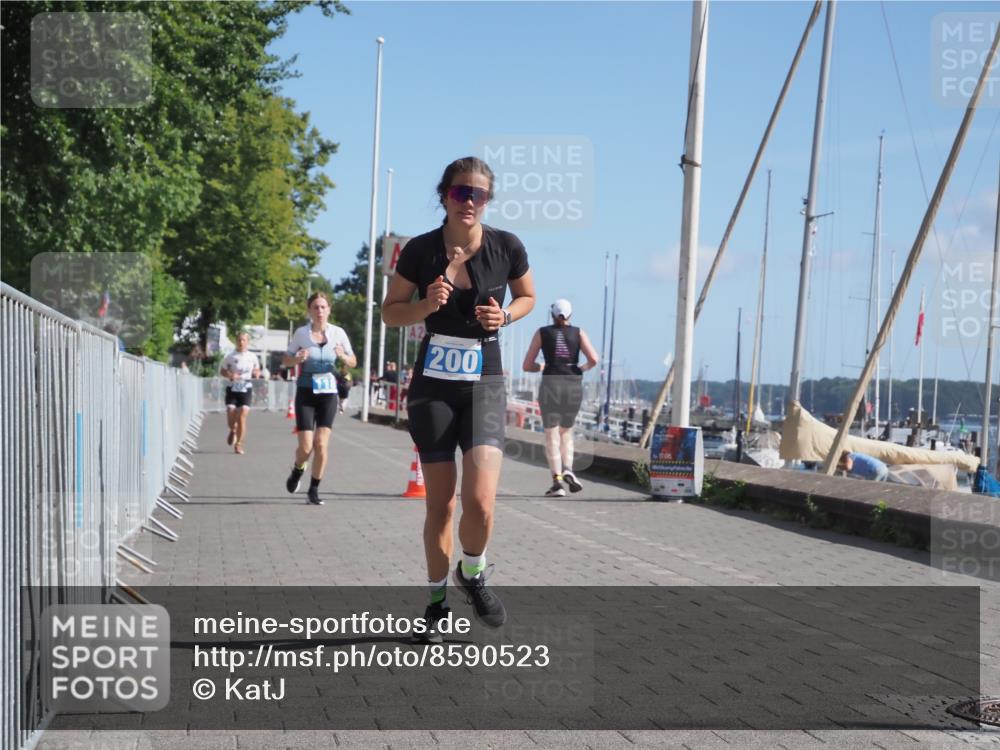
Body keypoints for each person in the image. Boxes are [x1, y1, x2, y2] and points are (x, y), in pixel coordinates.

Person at [382, 156, 535, 642]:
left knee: (482, 501)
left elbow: (528, 296)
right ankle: (434, 602)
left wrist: (506, 318)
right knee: (441, 505)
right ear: (444, 195)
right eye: (460, 193)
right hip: (433, 386)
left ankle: (473, 571)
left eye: (479, 195)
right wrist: (426, 306)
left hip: (484, 381)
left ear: (488, 200)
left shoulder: (506, 246)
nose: (469, 202)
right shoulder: (420, 250)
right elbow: (390, 313)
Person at [282, 292, 357, 505]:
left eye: (323, 307)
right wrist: (296, 358)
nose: (320, 311)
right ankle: (298, 470)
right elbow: (285, 360)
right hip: (306, 392)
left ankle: (313, 489)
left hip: (328, 393)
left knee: (321, 444)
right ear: (310, 311)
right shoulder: (301, 334)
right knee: (306, 448)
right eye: (315, 307)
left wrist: (343, 356)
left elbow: (353, 361)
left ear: (329, 310)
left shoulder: (338, 333)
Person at [522, 299, 599, 496]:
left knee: (551, 435)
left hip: (550, 385)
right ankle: (568, 469)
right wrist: (578, 369)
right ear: (570, 315)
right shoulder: (578, 332)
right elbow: (594, 359)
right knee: (567, 432)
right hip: (572, 386)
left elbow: (527, 365)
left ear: (552, 315)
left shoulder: (542, 332)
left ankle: (557, 483)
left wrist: (542, 366)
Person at [219, 332, 262, 455]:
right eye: (239, 340)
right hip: (232, 389)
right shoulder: (230, 356)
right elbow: (222, 370)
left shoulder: (252, 357)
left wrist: (257, 373)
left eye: (243, 340)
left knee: (242, 416)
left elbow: (257, 369)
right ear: (236, 341)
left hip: (246, 388)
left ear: (247, 342)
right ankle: (233, 430)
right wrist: (230, 375)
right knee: (231, 416)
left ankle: (238, 444)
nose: (241, 342)